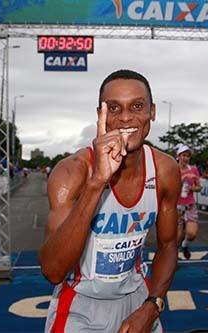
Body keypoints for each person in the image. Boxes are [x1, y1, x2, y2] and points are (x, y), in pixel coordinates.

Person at [40, 69, 181, 333]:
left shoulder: (165, 169)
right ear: (100, 115)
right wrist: (97, 183)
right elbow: (53, 271)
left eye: (137, 106)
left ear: (152, 111)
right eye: (114, 108)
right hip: (80, 305)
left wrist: (152, 305)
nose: (126, 117)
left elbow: (169, 244)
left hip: (139, 298)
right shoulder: (71, 173)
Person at [175, 144, 201, 260]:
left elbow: (199, 187)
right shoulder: (173, 169)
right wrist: (180, 181)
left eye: (188, 156)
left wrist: (192, 188)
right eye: (184, 155)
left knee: (192, 234)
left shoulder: (193, 169)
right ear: (178, 156)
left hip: (190, 204)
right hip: (176, 206)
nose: (186, 158)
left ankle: (185, 245)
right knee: (177, 236)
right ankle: (173, 258)